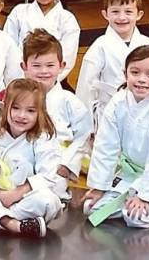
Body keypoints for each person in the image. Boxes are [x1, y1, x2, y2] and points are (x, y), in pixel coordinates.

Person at [83, 46, 149, 228]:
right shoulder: (118, 102)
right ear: (125, 74)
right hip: (129, 174)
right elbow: (106, 146)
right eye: (135, 72)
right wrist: (99, 186)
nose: (141, 80)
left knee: (137, 217)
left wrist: (145, 196)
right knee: (91, 208)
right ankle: (137, 202)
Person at [0, 79, 65, 237]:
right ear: (4, 108)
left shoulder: (43, 139)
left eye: (30, 111)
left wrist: (17, 193)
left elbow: (48, 177)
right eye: (16, 108)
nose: (22, 116)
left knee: (48, 201)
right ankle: (14, 225)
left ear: (40, 113)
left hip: (26, 198)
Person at [21, 29, 93, 189]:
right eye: (36, 66)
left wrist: (67, 164)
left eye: (50, 65)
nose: (43, 71)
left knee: (51, 189)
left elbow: (85, 135)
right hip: (22, 160)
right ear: (24, 66)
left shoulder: (70, 101)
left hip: (57, 164)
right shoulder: (17, 99)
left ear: (62, 66)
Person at [75, 0, 149, 124]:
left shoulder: (148, 44)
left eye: (128, 12)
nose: (122, 17)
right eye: (115, 11)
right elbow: (86, 87)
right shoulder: (100, 46)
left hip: (144, 114)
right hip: (109, 115)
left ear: (139, 14)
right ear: (105, 14)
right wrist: (85, 126)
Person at [3, 0, 80, 84]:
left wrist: (47, 80)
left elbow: (67, 57)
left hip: (54, 82)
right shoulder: (18, 13)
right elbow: (8, 49)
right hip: (21, 81)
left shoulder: (67, 19)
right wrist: (24, 78)